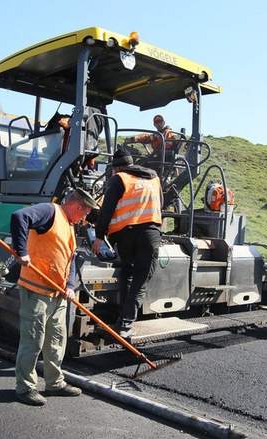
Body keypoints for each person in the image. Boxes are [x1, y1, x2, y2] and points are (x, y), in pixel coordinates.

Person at [10, 189, 98, 406]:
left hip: (57, 294)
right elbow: (19, 216)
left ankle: (54, 383)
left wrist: (69, 285)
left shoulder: (69, 224)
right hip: (36, 292)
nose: (84, 218)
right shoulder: (50, 212)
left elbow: (70, 259)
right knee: (33, 340)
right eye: (85, 213)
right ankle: (25, 388)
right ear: (77, 207)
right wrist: (21, 251)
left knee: (56, 340)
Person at [92, 148, 163, 337]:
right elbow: (159, 204)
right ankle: (125, 323)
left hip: (126, 236)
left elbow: (106, 210)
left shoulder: (120, 179)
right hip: (150, 234)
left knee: (128, 275)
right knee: (140, 280)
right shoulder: (153, 178)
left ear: (117, 168)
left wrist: (99, 236)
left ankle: (121, 322)